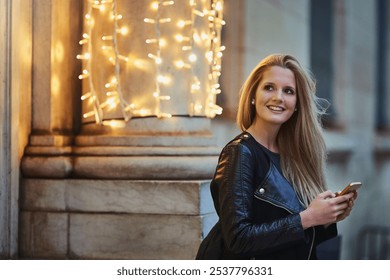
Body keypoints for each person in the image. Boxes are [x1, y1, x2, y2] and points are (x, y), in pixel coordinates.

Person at [196, 54, 357, 260]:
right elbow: (238, 239)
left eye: (288, 91)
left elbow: (294, 239)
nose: (278, 97)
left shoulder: (294, 157)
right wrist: (307, 218)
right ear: (253, 95)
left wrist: (324, 218)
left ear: (297, 103)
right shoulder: (240, 153)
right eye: (269, 87)